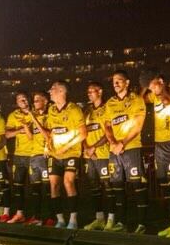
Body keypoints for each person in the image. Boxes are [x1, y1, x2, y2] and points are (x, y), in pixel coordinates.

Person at [31, 81, 86, 229]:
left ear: (62, 91)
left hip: (71, 153)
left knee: (68, 182)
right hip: (55, 155)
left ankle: (73, 220)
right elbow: (50, 133)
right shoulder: (52, 110)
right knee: (54, 185)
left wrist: (66, 147)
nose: (50, 91)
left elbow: (83, 134)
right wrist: (46, 146)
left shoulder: (74, 109)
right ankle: (60, 219)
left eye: (53, 89)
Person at [142, 71, 170, 238]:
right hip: (159, 144)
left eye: (153, 84)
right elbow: (140, 101)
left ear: (161, 81)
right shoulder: (153, 96)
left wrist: (160, 90)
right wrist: (144, 85)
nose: (152, 89)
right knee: (165, 185)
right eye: (150, 87)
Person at [103, 70, 148, 233]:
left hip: (132, 148)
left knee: (137, 185)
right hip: (114, 151)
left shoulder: (136, 100)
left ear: (127, 83)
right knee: (117, 187)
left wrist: (123, 143)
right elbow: (107, 126)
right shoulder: (110, 103)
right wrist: (114, 143)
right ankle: (121, 222)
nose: (116, 83)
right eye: (114, 81)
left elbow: (138, 126)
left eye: (119, 80)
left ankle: (142, 223)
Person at [82, 82, 112, 230]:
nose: (89, 94)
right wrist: (87, 149)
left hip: (104, 154)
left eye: (91, 91)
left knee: (108, 187)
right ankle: (99, 218)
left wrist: (94, 147)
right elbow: (82, 133)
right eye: (87, 91)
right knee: (94, 188)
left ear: (100, 91)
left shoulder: (107, 108)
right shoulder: (87, 111)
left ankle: (112, 219)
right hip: (89, 157)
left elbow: (109, 133)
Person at [4, 92, 34, 223]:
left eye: (26, 98)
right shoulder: (13, 115)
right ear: (16, 102)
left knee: (36, 187)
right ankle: (19, 213)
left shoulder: (36, 112)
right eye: (20, 100)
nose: (24, 101)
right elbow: (7, 134)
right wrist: (20, 130)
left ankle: (37, 216)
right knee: (17, 185)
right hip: (19, 155)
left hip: (34, 154)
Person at [26, 91, 52, 226]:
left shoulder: (49, 115)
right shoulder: (33, 117)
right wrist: (26, 127)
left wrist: (34, 119)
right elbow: (32, 137)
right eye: (34, 100)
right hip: (34, 156)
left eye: (38, 100)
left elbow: (48, 135)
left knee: (47, 189)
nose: (35, 103)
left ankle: (50, 217)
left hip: (45, 156)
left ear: (45, 101)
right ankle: (37, 217)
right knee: (35, 190)